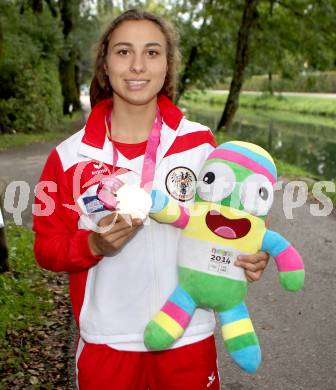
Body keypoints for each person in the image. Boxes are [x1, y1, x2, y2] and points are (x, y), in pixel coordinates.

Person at [33, 9, 269, 390]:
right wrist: (92, 243)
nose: (138, 65)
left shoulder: (200, 145)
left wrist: (248, 257)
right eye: (124, 52)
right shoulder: (69, 156)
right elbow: (46, 248)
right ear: (105, 65)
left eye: (152, 52)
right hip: (106, 342)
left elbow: (229, 224)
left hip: (188, 335)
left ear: (167, 65)